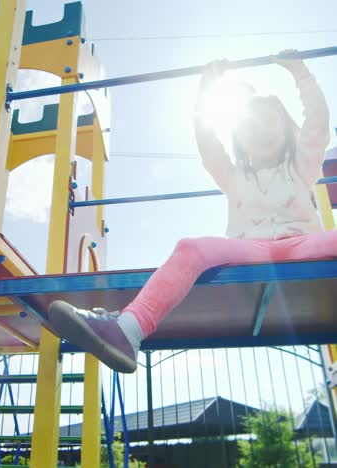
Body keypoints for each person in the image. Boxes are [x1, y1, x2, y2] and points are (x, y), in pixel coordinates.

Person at [48, 50, 333, 374]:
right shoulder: (234, 175)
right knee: (191, 247)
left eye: (271, 122)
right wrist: (207, 90)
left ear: (287, 131)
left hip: (301, 243)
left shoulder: (300, 166)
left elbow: (317, 125)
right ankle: (128, 330)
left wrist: (301, 75)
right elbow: (207, 142)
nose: (262, 131)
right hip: (249, 246)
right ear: (240, 140)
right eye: (252, 128)